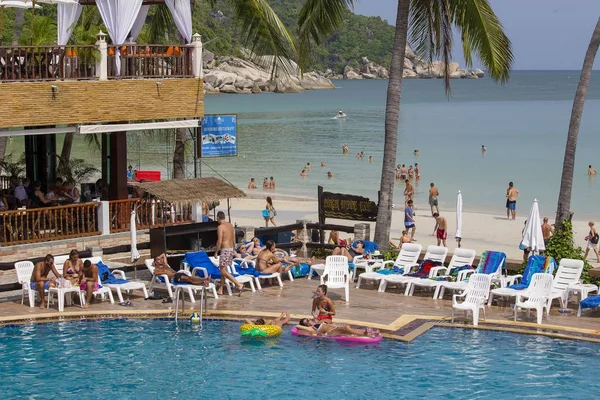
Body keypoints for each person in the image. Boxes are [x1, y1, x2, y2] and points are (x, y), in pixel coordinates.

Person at [215, 211, 245, 296]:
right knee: (223, 269)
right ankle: (220, 289)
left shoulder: (220, 227)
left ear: (217, 218)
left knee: (223, 271)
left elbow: (219, 241)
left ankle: (239, 284)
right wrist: (233, 248)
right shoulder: (230, 225)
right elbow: (234, 238)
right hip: (231, 249)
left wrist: (216, 252)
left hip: (225, 249)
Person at [296, 318, 379, 337]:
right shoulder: (312, 328)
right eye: (306, 322)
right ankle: (366, 334)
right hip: (330, 332)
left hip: (334, 328)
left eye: (307, 320)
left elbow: (330, 321)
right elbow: (297, 326)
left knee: (348, 328)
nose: (308, 321)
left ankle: (372, 333)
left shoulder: (318, 322)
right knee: (346, 328)